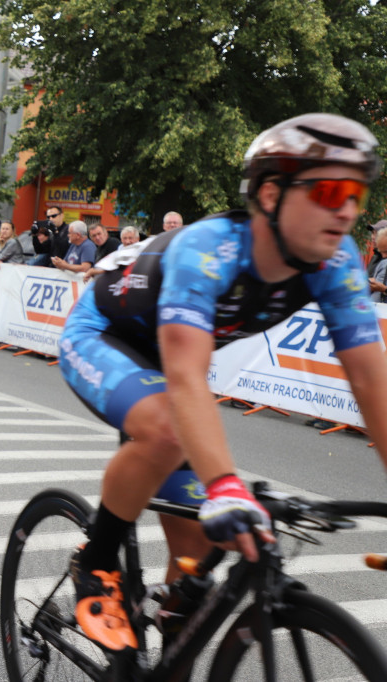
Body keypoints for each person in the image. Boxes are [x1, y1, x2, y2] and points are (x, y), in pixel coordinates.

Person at [57, 112, 387, 652]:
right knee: (166, 431)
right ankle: (94, 561)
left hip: (171, 365)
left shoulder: (338, 262)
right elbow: (185, 375)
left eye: (356, 195)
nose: (347, 209)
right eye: (330, 190)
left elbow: (373, 383)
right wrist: (226, 485)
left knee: (192, 584)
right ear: (272, 192)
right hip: (104, 335)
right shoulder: (208, 249)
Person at [368, 225, 387, 303]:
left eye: (386, 252)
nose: (384, 256)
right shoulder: (382, 262)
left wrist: (384, 289)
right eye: (381, 252)